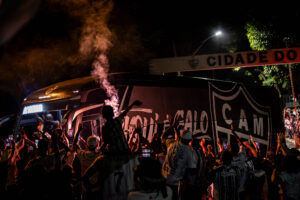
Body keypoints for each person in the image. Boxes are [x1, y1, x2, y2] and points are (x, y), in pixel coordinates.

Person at [161, 127, 194, 200]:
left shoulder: (171, 144)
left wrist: (172, 126)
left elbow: (163, 137)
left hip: (166, 179)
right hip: (176, 183)